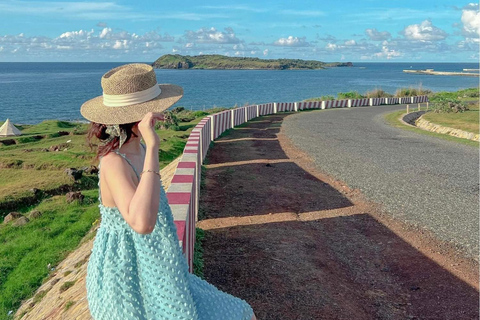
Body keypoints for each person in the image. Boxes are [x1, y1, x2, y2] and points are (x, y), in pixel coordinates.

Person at [81, 63, 256, 320]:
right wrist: (153, 147)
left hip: (160, 267)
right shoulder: (114, 162)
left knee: (241, 313)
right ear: (138, 116)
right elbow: (141, 223)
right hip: (128, 280)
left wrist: (148, 148)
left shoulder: (138, 151)